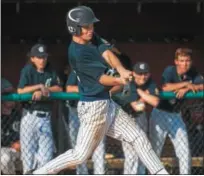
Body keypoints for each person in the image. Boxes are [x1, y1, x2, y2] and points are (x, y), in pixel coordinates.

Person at [32, 6, 168, 175]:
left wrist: (121, 69)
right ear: (74, 28)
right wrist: (119, 79)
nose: (91, 29)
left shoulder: (91, 38)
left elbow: (106, 52)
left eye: (91, 25)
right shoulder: (78, 53)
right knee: (80, 155)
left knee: (138, 138)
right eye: (86, 26)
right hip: (93, 108)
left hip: (107, 104)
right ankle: (39, 173)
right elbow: (102, 79)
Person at [149, 48, 204, 174]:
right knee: (155, 151)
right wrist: (186, 85)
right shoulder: (170, 70)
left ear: (191, 62)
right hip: (160, 114)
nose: (185, 63)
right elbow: (165, 87)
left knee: (184, 151)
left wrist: (191, 87)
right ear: (176, 62)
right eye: (181, 61)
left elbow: (201, 84)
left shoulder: (193, 73)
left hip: (176, 115)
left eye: (187, 61)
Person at [17, 44, 63, 174]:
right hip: (29, 117)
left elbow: (59, 88)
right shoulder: (27, 70)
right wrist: (38, 86)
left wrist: (44, 90)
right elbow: (20, 91)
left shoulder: (50, 69)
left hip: (45, 117)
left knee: (46, 159)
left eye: (44, 57)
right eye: (39, 57)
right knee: (28, 158)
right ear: (32, 58)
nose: (42, 60)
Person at [111, 62, 160, 174]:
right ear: (133, 73)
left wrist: (140, 94)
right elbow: (138, 106)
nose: (143, 76)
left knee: (142, 150)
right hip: (126, 119)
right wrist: (145, 95)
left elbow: (155, 101)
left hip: (140, 118)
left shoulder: (150, 82)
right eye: (139, 73)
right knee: (131, 155)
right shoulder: (129, 83)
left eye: (145, 73)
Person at [66, 70, 106, 174]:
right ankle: (82, 173)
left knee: (98, 146)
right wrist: (87, 90)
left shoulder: (101, 71)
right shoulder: (77, 70)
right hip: (76, 111)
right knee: (78, 148)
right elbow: (69, 88)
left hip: (96, 111)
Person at [1, 78, 22, 175]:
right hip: (3, 149)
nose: (10, 101)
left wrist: (21, 143)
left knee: (5, 158)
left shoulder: (17, 115)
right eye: (5, 97)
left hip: (13, 150)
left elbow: (22, 141)